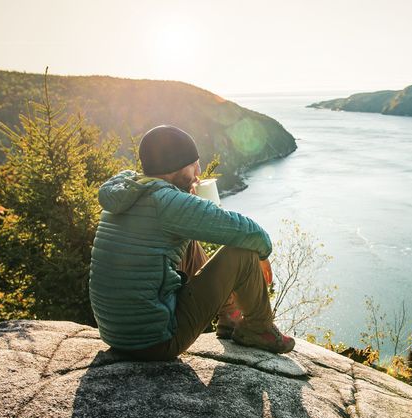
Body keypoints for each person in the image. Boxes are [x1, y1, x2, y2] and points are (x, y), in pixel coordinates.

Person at [88, 124, 295, 360]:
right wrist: (263, 255)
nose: (199, 171)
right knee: (244, 252)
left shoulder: (127, 193)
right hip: (156, 341)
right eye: (194, 163)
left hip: (116, 334)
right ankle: (258, 329)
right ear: (175, 165)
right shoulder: (167, 203)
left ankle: (230, 316)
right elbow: (249, 232)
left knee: (187, 239)